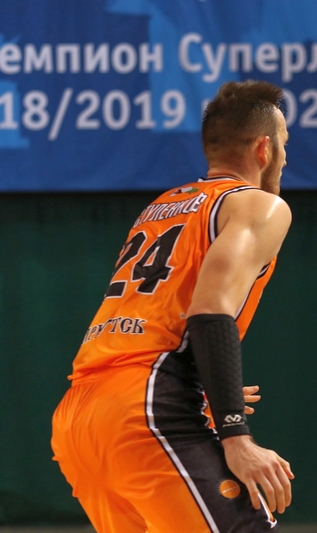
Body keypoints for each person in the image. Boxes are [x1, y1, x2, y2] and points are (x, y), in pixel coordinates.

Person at [51, 80, 294, 532]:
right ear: (264, 148)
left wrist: (201, 383)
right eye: (284, 143)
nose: (285, 157)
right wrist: (235, 435)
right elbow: (209, 312)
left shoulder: (161, 206)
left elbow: (159, 318)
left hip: (81, 415)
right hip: (146, 406)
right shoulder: (259, 206)